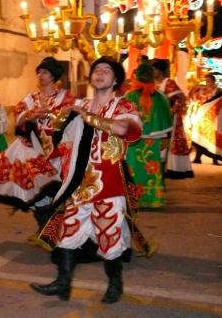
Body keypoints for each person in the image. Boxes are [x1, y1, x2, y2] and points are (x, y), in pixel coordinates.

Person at [30, 57, 143, 304]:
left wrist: (88, 117)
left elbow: (129, 130)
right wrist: (47, 119)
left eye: (106, 71)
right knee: (67, 234)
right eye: (96, 70)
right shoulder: (78, 104)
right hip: (78, 186)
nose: (100, 73)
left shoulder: (123, 107)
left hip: (109, 186)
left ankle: (115, 283)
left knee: (109, 238)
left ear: (115, 81)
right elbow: (55, 136)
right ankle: (63, 284)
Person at [0, 57, 74, 219]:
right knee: (38, 187)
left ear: (53, 76)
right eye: (39, 72)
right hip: (33, 150)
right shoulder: (30, 99)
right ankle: (43, 224)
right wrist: (32, 115)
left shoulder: (65, 97)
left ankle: (57, 225)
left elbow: (74, 118)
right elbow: (18, 120)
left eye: (45, 72)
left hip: (57, 149)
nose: (40, 75)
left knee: (58, 187)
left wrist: (55, 115)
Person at [125, 63, 172, 208]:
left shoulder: (129, 95)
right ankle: (152, 200)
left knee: (133, 168)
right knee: (151, 169)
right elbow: (165, 119)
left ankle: (134, 199)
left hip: (134, 140)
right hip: (153, 141)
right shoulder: (159, 97)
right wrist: (165, 138)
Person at [152, 59, 194, 178]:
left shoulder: (168, 82)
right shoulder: (151, 84)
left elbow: (180, 98)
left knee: (169, 143)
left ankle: (171, 169)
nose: (152, 72)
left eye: (154, 70)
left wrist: (172, 111)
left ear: (160, 71)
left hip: (169, 118)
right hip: (155, 118)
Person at [187, 74, 222, 165]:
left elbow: (219, 104)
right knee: (199, 137)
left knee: (213, 138)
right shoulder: (203, 90)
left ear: (213, 81)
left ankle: (215, 159)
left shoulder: (217, 92)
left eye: (209, 81)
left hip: (213, 119)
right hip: (203, 117)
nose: (207, 83)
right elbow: (194, 97)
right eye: (206, 81)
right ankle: (198, 158)